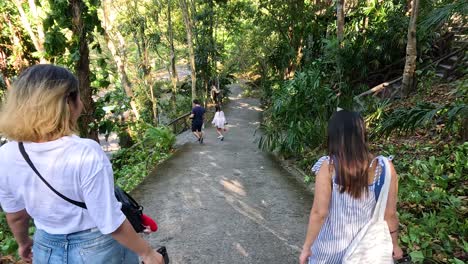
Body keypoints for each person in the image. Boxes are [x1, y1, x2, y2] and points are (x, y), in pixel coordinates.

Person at [0, 64, 164, 264]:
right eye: (78, 97)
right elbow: (110, 221)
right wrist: (147, 253)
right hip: (97, 247)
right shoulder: (85, 151)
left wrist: (24, 242)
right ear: (66, 103)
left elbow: (16, 215)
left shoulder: (6, 154)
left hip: (45, 247)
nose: (83, 105)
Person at [299, 110, 403, 264]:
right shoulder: (384, 167)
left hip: (329, 252)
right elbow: (390, 214)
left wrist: (307, 247)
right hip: (366, 253)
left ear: (333, 135)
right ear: (362, 134)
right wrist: (394, 244)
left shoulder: (328, 166)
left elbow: (319, 212)